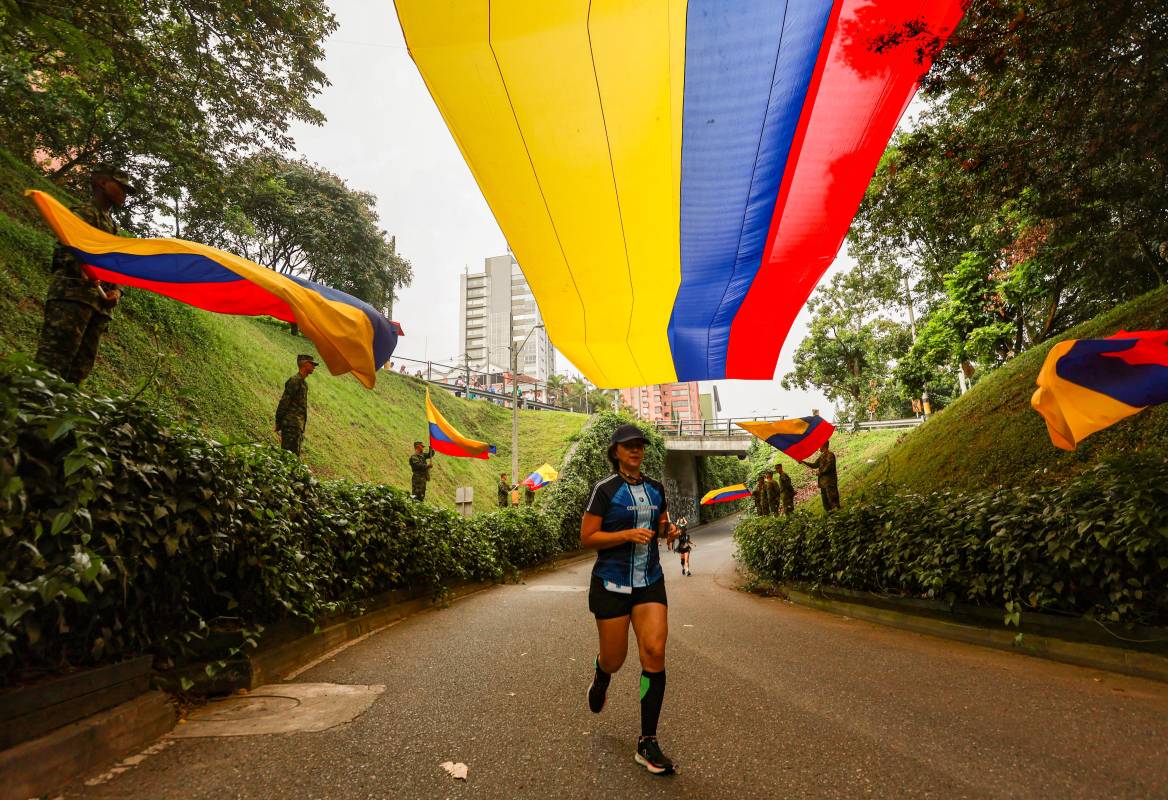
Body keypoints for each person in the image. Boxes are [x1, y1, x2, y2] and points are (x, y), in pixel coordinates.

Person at [581, 424, 679, 776]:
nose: (635, 451)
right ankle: (601, 674)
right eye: (628, 446)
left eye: (639, 446)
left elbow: (662, 520)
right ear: (616, 452)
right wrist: (625, 534)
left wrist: (669, 529)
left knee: (653, 651)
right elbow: (587, 536)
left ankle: (647, 741)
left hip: (649, 582)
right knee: (615, 658)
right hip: (611, 582)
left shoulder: (655, 488)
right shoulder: (605, 491)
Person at [35, 166, 136, 384]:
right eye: (121, 187)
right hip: (73, 299)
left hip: (97, 308)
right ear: (102, 183)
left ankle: (57, 415)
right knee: (51, 365)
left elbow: (115, 265)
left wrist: (117, 290)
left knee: (76, 375)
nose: (124, 194)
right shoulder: (82, 214)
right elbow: (68, 253)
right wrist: (85, 268)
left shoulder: (112, 227)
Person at [275, 354, 317, 456]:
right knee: (288, 458)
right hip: (290, 425)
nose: (314, 367)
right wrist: (278, 421)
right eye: (312, 364)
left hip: (297, 426)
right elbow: (284, 401)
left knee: (293, 458)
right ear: (305, 364)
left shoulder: (303, 383)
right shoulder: (295, 381)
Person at [800, 440, 840, 512]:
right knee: (825, 502)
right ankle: (830, 515)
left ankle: (837, 514)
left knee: (832, 499)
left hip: (830, 482)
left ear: (823, 445)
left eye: (820, 445)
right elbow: (814, 465)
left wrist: (820, 472)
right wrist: (803, 462)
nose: (819, 448)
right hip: (823, 483)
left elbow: (829, 466)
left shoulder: (830, 455)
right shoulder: (821, 456)